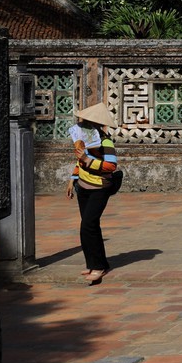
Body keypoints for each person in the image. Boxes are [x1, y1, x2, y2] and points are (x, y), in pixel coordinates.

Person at [67, 103, 121, 285]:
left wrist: (87, 159)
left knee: (88, 226)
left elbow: (111, 166)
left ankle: (98, 266)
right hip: (83, 186)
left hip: (100, 188)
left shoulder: (105, 142)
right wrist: (72, 178)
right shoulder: (82, 140)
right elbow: (78, 161)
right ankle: (95, 263)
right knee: (90, 226)